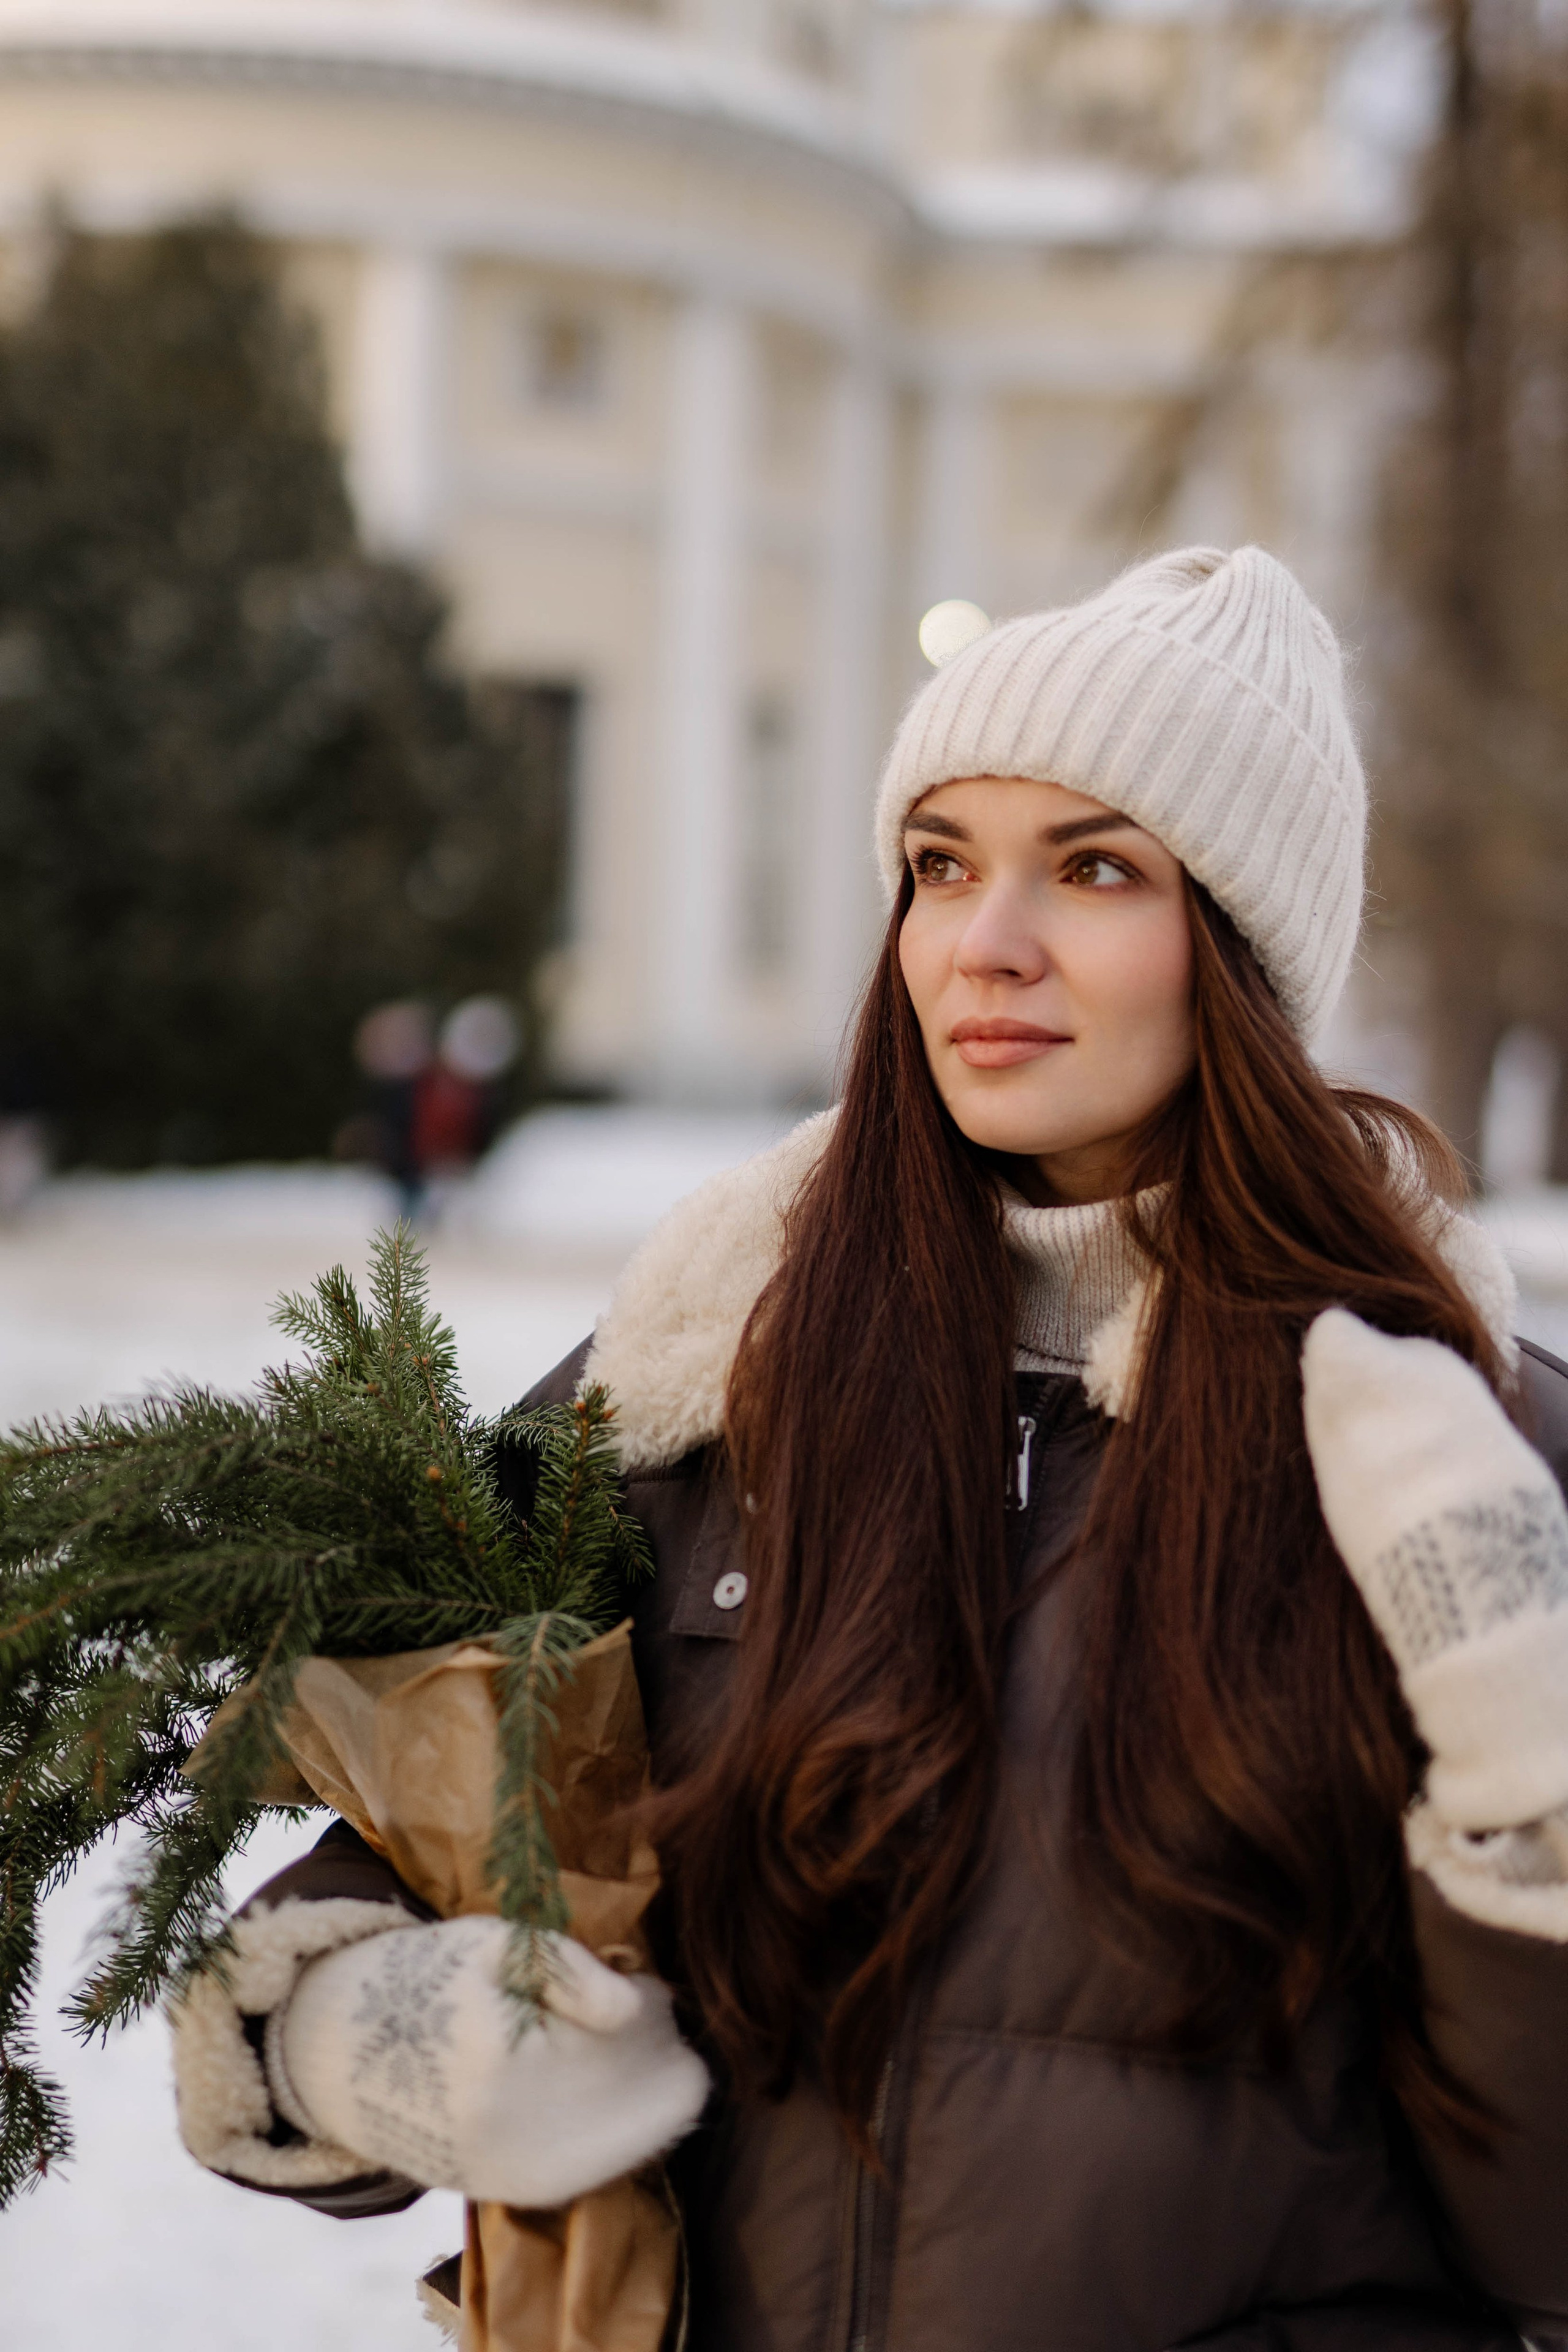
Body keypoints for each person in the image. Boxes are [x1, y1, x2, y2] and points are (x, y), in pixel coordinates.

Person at [171, 548, 1568, 2351]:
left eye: (1095, 868)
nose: (985, 943)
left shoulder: (1461, 1447)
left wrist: (1533, 1802)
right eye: (941, 864)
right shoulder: (697, 1369)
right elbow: (417, 1808)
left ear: (1238, 948)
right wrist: (358, 2029)